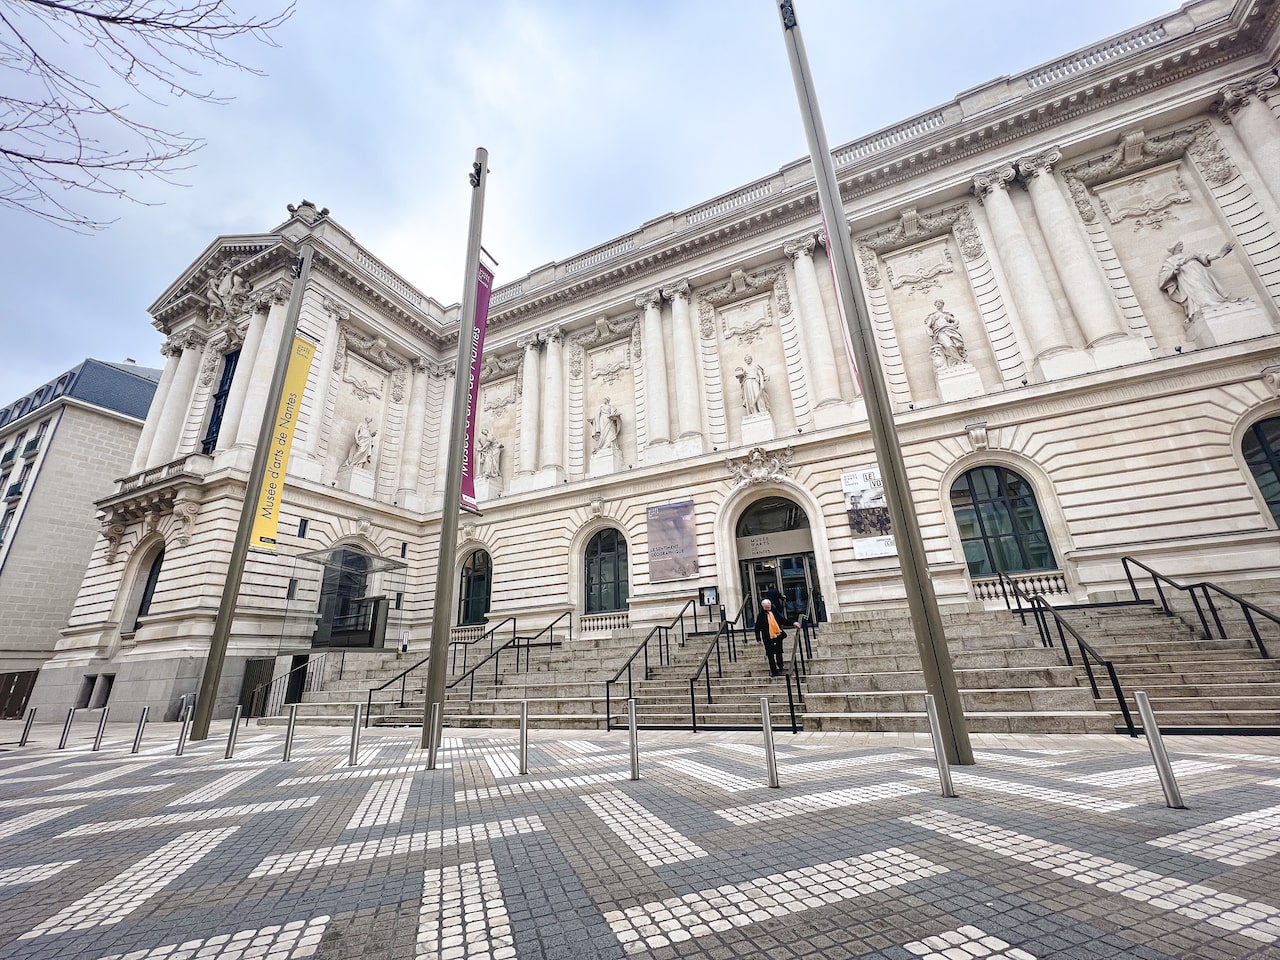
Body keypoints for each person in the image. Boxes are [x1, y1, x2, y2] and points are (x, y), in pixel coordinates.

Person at [1158, 241, 1242, 322]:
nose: (1181, 246)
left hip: (1201, 273)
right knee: (1198, 289)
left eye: (1181, 244)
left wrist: (1219, 255)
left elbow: (1206, 258)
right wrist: (1173, 271)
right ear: (1174, 247)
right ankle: (1205, 305)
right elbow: (1163, 276)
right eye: (1179, 244)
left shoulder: (1190, 253)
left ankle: (1217, 302)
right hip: (1187, 277)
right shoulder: (1170, 261)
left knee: (1207, 287)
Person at [924, 299, 967, 368]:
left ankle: (958, 362)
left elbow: (956, 321)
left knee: (958, 345)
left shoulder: (946, 315)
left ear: (942, 304)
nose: (938, 305)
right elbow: (927, 326)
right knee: (948, 345)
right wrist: (929, 332)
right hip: (940, 332)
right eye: (937, 303)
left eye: (939, 303)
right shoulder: (933, 316)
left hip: (949, 330)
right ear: (935, 305)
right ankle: (959, 360)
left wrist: (952, 325)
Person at [754, 598, 787, 677]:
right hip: (767, 637)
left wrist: (793, 623)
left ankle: (780, 665)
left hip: (777, 635)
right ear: (763, 607)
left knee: (779, 651)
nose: (767, 608)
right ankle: (774, 671)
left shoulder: (775, 612)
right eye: (765, 607)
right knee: (770, 654)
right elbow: (757, 628)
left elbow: (782, 620)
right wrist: (758, 638)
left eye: (768, 607)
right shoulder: (761, 615)